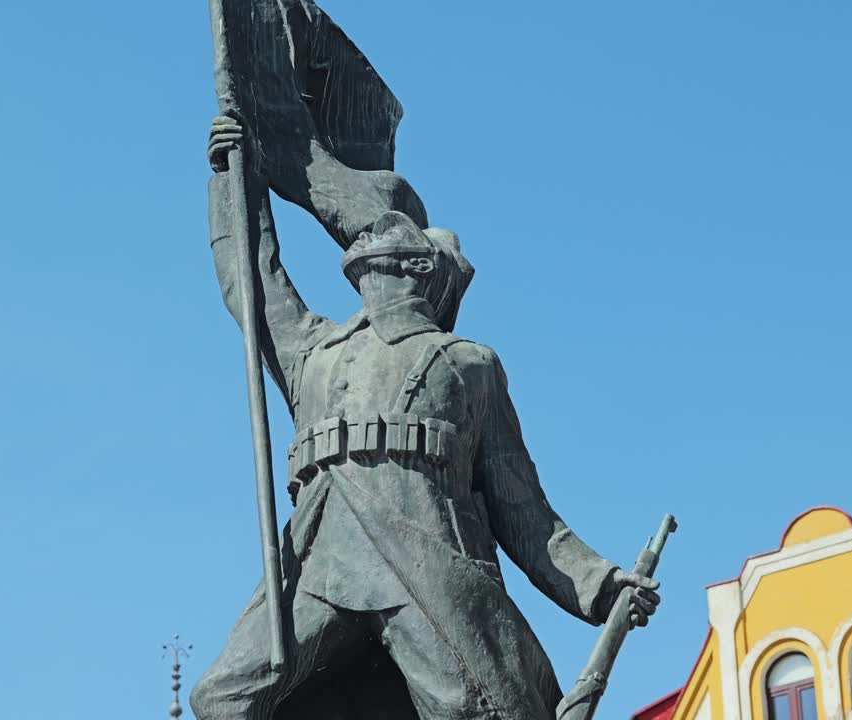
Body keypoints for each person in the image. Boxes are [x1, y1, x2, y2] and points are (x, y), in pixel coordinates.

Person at [192, 115, 661, 720]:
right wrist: (233, 184)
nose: (365, 236)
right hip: (318, 565)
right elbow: (253, 282)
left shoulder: (467, 365)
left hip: (425, 570)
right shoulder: (313, 353)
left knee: (475, 711)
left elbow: (522, 508)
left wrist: (599, 583)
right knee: (221, 699)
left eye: (388, 232)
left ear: (420, 266)